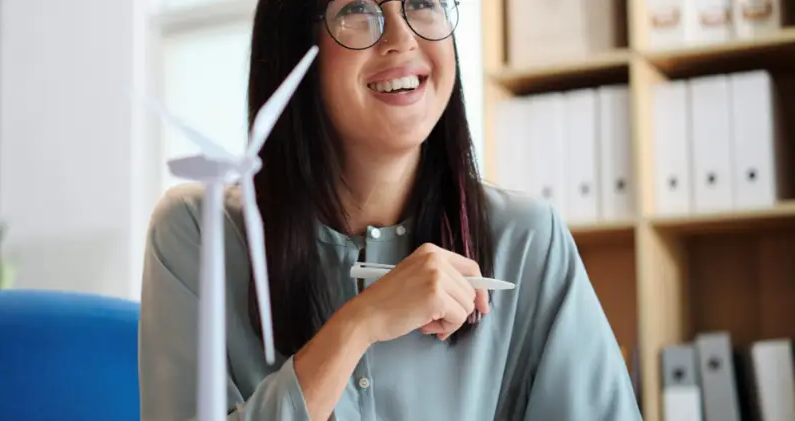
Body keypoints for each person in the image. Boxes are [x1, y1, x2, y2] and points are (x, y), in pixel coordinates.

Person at [138, 0, 642, 419]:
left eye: (422, 3)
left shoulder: (527, 238)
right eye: (358, 9)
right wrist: (360, 322)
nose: (401, 38)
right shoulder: (197, 234)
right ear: (294, 46)